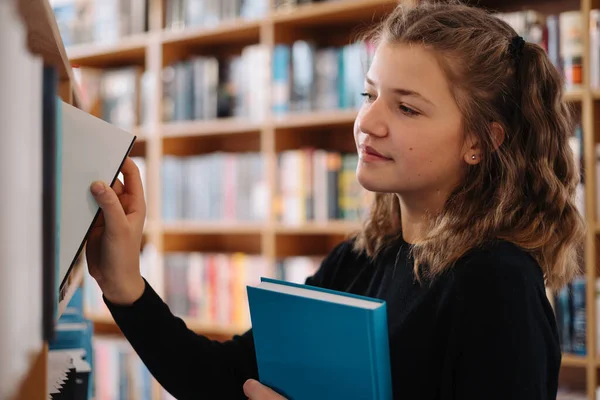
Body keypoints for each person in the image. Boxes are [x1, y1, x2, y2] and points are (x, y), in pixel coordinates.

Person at [85, 1, 585, 399]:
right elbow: (226, 378)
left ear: (480, 141)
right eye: (369, 95)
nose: (367, 123)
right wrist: (123, 282)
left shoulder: (497, 284)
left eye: (406, 107)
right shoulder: (362, 258)